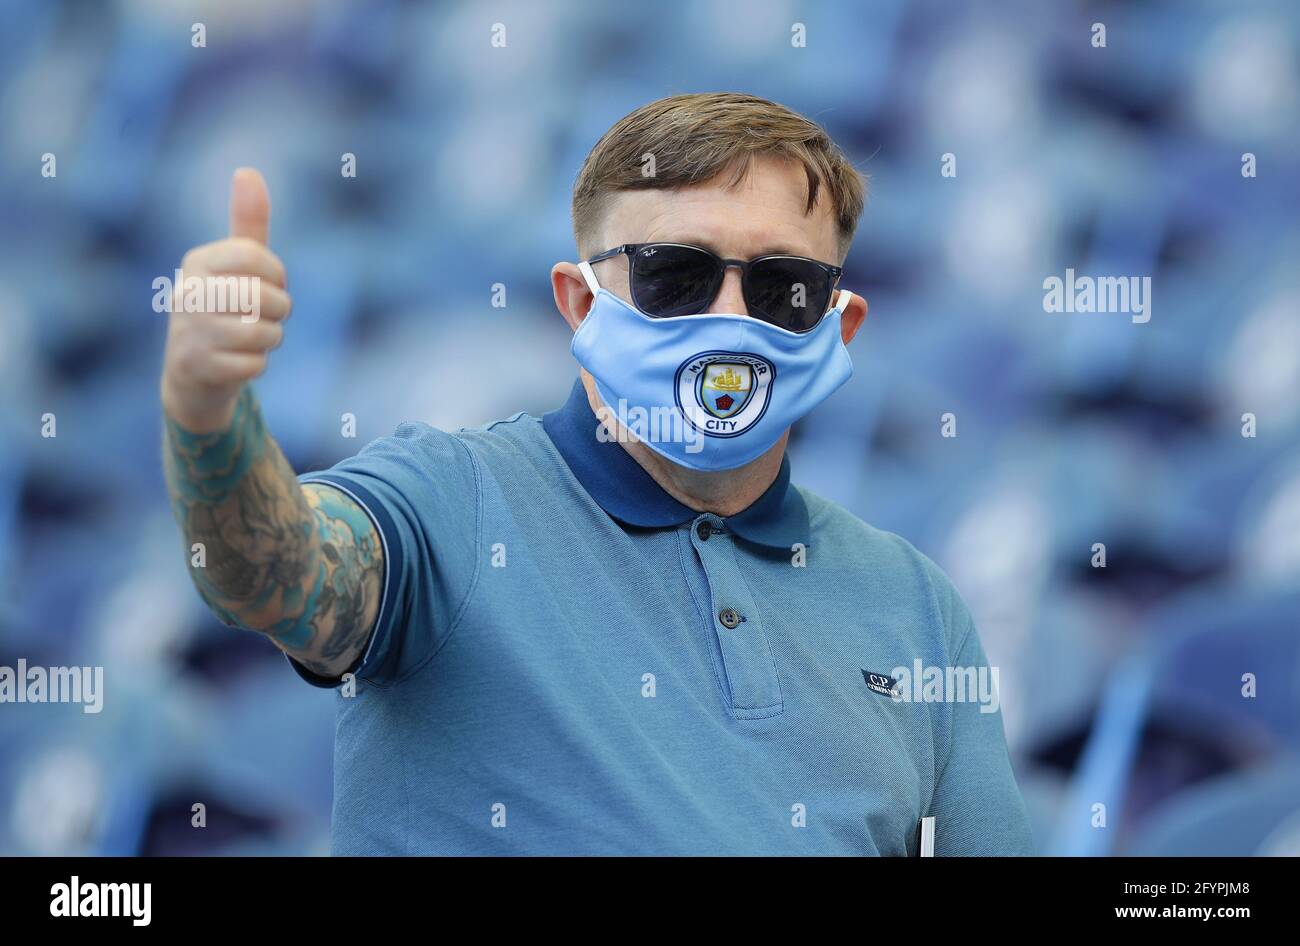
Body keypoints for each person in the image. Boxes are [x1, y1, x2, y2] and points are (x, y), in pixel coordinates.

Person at [161, 91, 1034, 855]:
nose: (730, 317)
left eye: (783, 289)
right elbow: (273, 576)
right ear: (580, 303)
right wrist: (207, 414)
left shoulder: (915, 607)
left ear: (838, 328)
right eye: (675, 275)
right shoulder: (453, 502)